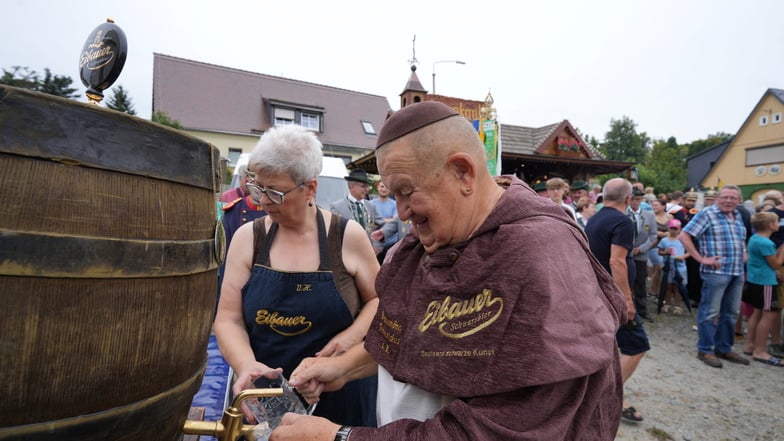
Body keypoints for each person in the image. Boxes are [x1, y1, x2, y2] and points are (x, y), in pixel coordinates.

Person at [273, 100, 627, 441]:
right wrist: (341, 368)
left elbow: (510, 430)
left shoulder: (543, 257)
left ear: (463, 172)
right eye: (393, 194)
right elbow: (418, 339)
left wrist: (341, 437)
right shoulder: (421, 246)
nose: (401, 213)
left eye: (406, 191)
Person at [213, 124, 379, 427]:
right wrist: (246, 365)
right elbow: (228, 319)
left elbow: (380, 300)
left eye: (274, 192)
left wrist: (350, 338)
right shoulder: (247, 238)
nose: (262, 201)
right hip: (263, 402)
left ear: (310, 188)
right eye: (256, 188)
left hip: (340, 398)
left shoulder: (345, 237)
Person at [585, 177, 650, 424]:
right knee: (636, 347)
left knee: (607, 348)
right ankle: (607, 396)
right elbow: (616, 261)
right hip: (613, 297)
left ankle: (602, 393)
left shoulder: (595, 219)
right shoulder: (622, 220)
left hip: (597, 294)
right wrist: (627, 300)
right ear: (628, 198)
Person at [679, 185, 750, 368]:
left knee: (731, 313)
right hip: (716, 273)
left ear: (738, 200)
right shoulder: (707, 214)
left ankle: (724, 348)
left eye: (733, 198)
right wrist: (701, 258)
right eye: (725, 197)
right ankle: (705, 349)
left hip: (736, 271)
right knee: (710, 312)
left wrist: (744, 252)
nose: (728, 201)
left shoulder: (738, 215)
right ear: (717, 198)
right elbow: (684, 236)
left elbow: (741, 239)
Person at [740, 211, 784, 366]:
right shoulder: (766, 243)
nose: (778, 224)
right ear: (770, 225)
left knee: (757, 313)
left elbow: (768, 260)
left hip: (755, 280)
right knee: (769, 315)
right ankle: (760, 351)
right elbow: (776, 263)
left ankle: (750, 345)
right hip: (765, 283)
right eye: (777, 221)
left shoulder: (755, 238)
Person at [329, 168, 389, 253]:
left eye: (367, 186)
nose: (367, 189)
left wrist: (377, 247)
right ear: (351, 186)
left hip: (368, 255)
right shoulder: (337, 207)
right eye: (363, 186)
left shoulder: (371, 206)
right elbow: (333, 234)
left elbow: (384, 227)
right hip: (347, 255)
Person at [628, 187, 658, 321]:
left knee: (640, 283)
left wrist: (642, 248)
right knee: (625, 282)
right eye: (633, 199)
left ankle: (642, 310)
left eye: (638, 199)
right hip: (625, 254)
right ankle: (623, 309)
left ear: (642, 200)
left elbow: (653, 236)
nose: (635, 202)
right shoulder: (622, 214)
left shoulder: (649, 215)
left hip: (641, 255)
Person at [658, 219, 689, 315]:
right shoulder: (664, 240)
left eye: (676, 229)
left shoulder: (683, 240)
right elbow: (659, 251)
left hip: (680, 267)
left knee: (678, 287)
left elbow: (690, 252)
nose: (673, 231)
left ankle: (678, 306)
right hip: (668, 267)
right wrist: (665, 252)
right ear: (668, 228)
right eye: (672, 228)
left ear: (680, 229)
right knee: (668, 286)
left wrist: (682, 257)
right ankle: (666, 304)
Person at [647, 199, 672, 300]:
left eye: (656, 205)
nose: (654, 207)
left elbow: (675, 228)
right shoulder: (650, 216)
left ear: (663, 206)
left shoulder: (669, 216)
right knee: (660, 266)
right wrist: (657, 233)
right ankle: (653, 290)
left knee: (663, 269)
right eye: (653, 205)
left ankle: (657, 291)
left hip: (666, 246)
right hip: (654, 246)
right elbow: (646, 228)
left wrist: (668, 233)